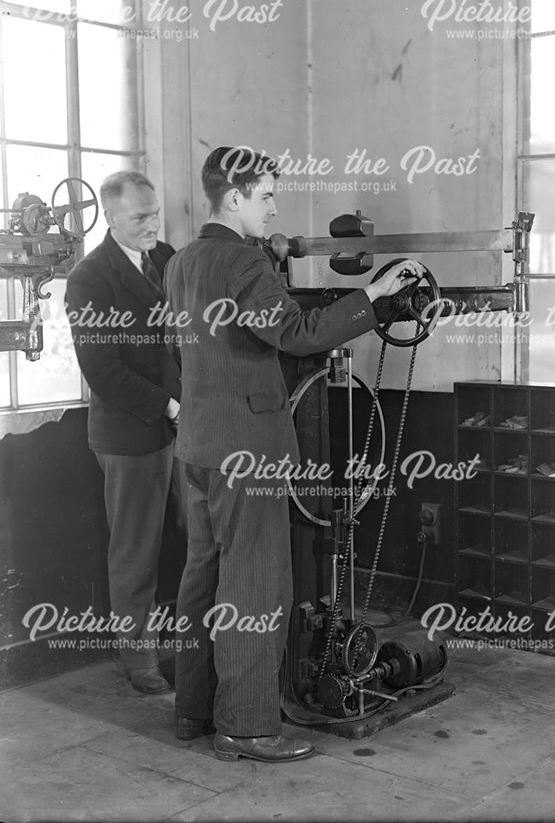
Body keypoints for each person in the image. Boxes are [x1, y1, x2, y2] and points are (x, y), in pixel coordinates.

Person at [165, 147, 423, 763]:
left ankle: (194, 711)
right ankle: (249, 727)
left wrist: (272, 264)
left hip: (197, 444)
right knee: (256, 588)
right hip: (246, 452)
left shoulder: (183, 261)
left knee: (203, 578)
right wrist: (373, 294)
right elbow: (298, 335)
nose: (275, 207)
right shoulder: (242, 264)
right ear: (235, 198)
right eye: (267, 196)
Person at [65, 171, 181, 695]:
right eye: (139, 217)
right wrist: (172, 406)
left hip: (183, 422)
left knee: (189, 540)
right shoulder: (90, 279)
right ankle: (138, 660)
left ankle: (189, 648)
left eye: (155, 213)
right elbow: (104, 373)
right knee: (135, 550)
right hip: (130, 434)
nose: (152, 224)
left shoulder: (167, 258)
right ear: (109, 218)